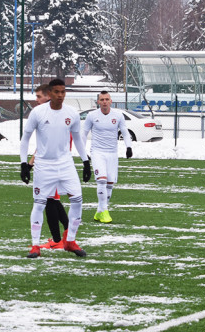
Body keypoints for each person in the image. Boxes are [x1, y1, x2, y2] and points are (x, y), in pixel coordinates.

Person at [20, 78, 91, 258]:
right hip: (44, 166)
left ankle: (70, 241)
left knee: (77, 200)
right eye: (57, 92)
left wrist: (85, 161)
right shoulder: (38, 113)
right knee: (39, 204)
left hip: (66, 164)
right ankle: (35, 246)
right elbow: (25, 138)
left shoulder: (72, 114)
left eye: (63, 92)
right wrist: (23, 164)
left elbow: (77, 138)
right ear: (50, 93)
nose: (60, 95)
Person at [29, 84, 70, 250]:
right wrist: (31, 161)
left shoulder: (57, 114)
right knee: (52, 201)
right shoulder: (45, 113)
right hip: (50, 163)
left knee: (50, 201)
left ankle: (60, 239)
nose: (37, 100)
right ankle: (65, 238)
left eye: (39, 96)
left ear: (48, 95)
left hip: (55, 165)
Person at [80, 90, 133, 223]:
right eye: (102, 99)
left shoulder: (118, 115)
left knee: (110, 183)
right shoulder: (92, 115)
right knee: (102, 180)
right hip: (97, 152)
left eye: (106, 99)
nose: (104, 102)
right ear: (98, 101)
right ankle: (104, 211)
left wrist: (129, 147)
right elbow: (83, 134)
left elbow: (125, 133)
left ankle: (100, 211)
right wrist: (83, 152)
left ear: (111, 101)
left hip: (112, 153)